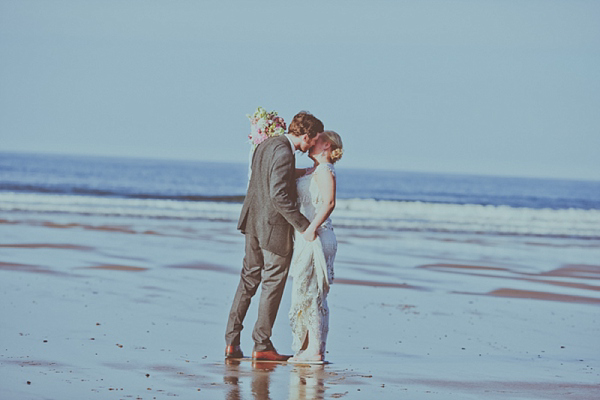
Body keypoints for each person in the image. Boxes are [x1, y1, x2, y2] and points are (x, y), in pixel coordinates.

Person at [225, 111, 324, 362]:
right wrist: (305, 226)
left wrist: (299, 172)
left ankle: (231, 341)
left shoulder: (268, 144)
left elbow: (265, 178)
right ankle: (262, 344)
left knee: (247, 282)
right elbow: (279, 196)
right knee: (273, 283)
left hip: (252, 223)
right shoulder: (283, 151)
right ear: (306, 135)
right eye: (314, 139)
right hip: (272, 228)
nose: (313, 144)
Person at [287, 130, 343, 364]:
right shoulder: (314, 170)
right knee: (310, 293)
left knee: (312, 293)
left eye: (316, 139)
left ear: (327, 145)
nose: (310, 142)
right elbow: (285, 174)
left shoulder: (324, 170)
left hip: (317, 237)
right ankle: (312, 347)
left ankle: (315, 351)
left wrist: (310, 230)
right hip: (312, 236)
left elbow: (329, 202)